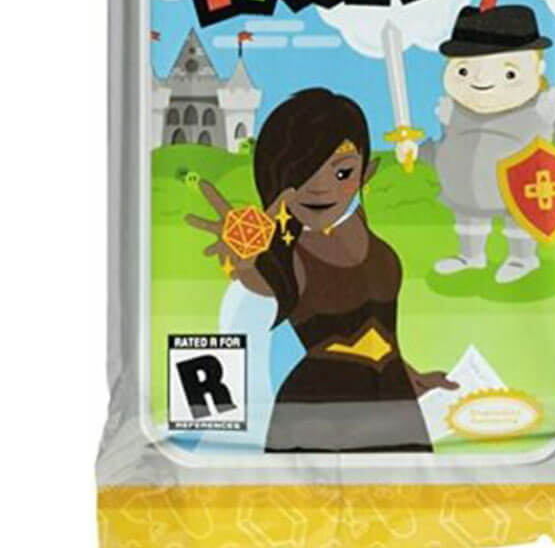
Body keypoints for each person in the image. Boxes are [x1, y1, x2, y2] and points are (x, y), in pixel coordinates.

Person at [187, 87, 456, 453]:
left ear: (365, 171)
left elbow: (376, 327)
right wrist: (247, 264)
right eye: (300, 175)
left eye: (342, 172)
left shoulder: (360, 225)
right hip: (317, 415)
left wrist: (408, 375)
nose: (320, 188)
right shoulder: (286, 251)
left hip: (393, 401)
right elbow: (266, 285)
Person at [405, 0, 555, 284]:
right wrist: (416, 151)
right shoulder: (454, 113)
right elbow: (444, 149)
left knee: (518, 219)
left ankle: (522, 258)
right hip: (466, 186)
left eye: (509, 73)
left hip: (519, 187)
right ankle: (471, 256)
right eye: (464, 70)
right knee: (469, 218)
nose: (480, 81)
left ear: (538, 69)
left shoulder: (541, 111)